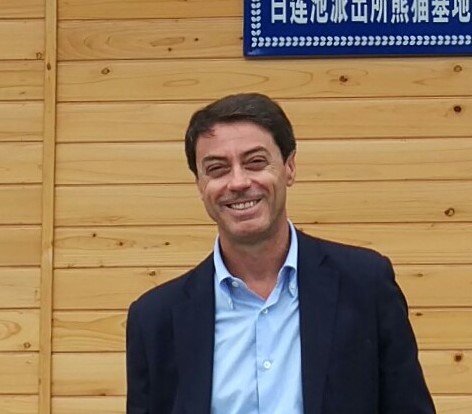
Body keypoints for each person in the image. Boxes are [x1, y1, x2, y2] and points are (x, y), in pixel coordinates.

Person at [126, 93, 436, 414]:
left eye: (255, 162)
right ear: (200, 186)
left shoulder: (365, 286)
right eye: (217, 169)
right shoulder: (154, 320)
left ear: (289, 167)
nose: (238, 182)